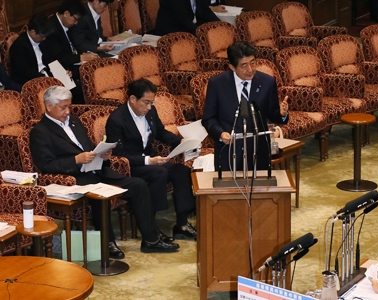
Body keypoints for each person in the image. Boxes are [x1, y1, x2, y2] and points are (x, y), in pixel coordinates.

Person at [29, 86, 180, 257]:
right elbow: (46, 165)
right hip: (74, 178)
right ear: (49, 106)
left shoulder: (74, 122)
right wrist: (76, 160)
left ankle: (151, 239)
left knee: (138, 185)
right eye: (63, 107)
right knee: (100, 196)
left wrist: (102, 153)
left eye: (69, 106)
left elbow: (88, 147)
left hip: (98, 170)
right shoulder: (40, 132)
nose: (68, 111)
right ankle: (107, 243)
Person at [105, 79, 197, 240]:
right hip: (132, 165)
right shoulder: (116, 120)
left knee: (181, 171)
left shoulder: (151, 112)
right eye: (146, 102)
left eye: (151, 103)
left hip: (151, 161)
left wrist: (181, 141)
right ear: (133, 99)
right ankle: (151, 227)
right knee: (158, 173)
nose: (149, 107)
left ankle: (182, 224)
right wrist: (149, 160)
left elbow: (160, 133)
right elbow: (119, 154)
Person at [202, 41, 289, 171]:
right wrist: (220, 134)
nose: (250, 70)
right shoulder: (217, 84)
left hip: (258, 152)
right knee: (230, 191)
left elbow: (272, 114)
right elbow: (208, 118)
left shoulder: (267, 82)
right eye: (244, 65)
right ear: (232, 67)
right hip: (228, 152)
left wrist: (282, 114)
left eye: (252, 63)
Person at [40, 0, 99, 104]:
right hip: (60, 69)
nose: (76, 23)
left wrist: (85, 55)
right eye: (75, 19)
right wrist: (80, 58)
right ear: (66, 14)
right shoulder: (51, 29)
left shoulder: (69, 24)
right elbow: (57, 57)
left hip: (73, 64)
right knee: (85, 86)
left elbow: (77, 44)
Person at [8, 14, 54, 86]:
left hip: (46, 75)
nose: (44, 39)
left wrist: (61, 71)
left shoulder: (42, 40)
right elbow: (25, 72)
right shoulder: (18, 47)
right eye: (42, 36)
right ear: (33, 32)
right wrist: (46, 78)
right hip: (29, 82)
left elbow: (51, 58)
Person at [154, 0, 220, 36]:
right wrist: (201, 33)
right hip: (170, 31)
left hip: (187, 27)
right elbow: (182, 18)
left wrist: (221, 25)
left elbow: (205, 11)